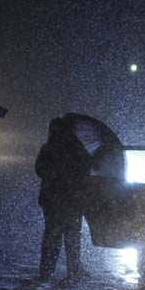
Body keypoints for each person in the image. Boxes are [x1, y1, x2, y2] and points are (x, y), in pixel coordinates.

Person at [35, 117, 92, 280]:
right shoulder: (77, 148)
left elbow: (39, 169)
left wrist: (54, 175)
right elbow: (87, 167)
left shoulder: (48, 148)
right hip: (72, 198)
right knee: (72, 235)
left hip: (52, 198)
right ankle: (73, 269)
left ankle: (46, 270)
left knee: (52, 235)